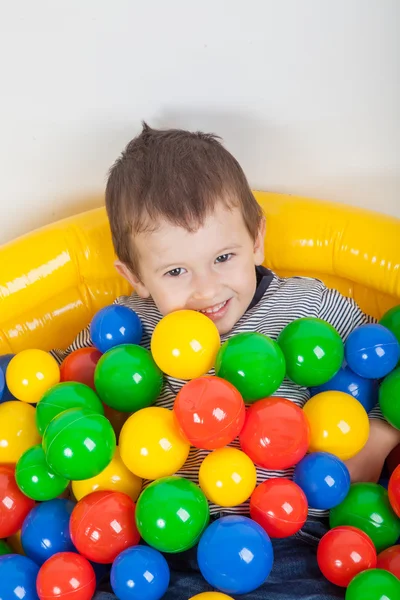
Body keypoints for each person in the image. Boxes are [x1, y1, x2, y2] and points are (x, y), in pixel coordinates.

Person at [52, 123, 400, 600]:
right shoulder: (132, 327)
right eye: (175, 271)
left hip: (289, 541)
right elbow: (55, 378)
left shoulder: (305, 307)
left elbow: (387, 360)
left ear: (256, 240)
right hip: (159, 546)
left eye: (223, 257)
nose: (207, 289)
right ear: (133, 275)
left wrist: (379, 435)